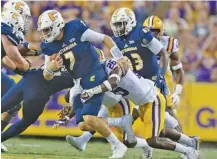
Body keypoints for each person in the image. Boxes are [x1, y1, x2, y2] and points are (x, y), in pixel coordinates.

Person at [37, 9, 130, 158]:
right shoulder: (48, 47)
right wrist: (50, 69)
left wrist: (119, 57)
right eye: (43, 31)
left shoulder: (75, 28)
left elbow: (105, 38)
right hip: (77, 82)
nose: (45, 34)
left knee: (88, 117)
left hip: (94, 72)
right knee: (82, 125)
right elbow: (47, 76)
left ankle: (117, 145)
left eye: (47, 29)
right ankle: (119, 122)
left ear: (57, 25)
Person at [78, 58, 199, 159]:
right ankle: (191, 142)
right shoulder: (97, 77)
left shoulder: (113, 65)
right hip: (141, 102)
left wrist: (92, 91)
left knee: (152, 140)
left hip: (152, 99)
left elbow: (113, 82)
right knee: (159, 131)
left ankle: (188, 150)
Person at [143, 15, 185, 132]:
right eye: (148, 31)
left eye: (154, 31)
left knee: (168, 111)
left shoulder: (169, 43)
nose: (151, 34)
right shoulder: (138, 42)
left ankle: (188, 145)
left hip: (162, 80)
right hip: (143, 79)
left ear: (161, 31)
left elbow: (178, 69)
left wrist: (177, 92)